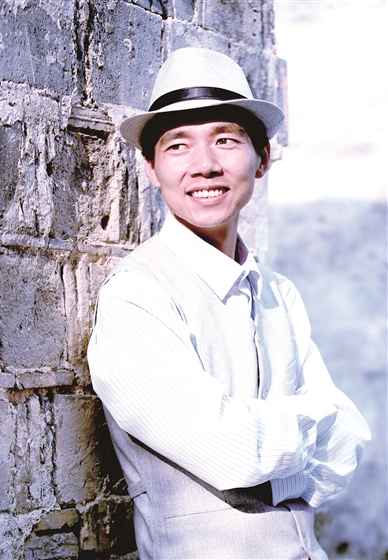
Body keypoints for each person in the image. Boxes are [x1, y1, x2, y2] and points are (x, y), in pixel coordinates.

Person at [87, 48, 370, 560]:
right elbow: (236, 453)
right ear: (150, 168)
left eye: (225, 139)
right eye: (178, 145)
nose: (205, 165)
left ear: (261, 158)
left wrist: (276, 441)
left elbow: (347, 446)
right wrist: (314, 418)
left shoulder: (279, 291)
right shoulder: (137, 294)